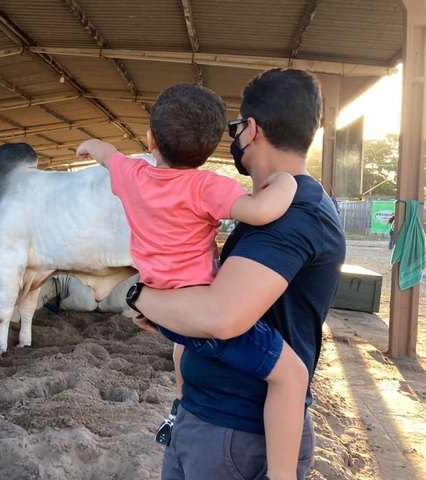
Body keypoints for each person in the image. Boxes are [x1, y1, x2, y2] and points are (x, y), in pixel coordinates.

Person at [77, 82, 309, 480]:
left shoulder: (132, 174)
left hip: (162, 305)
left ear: (151, 140)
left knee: (184, 350)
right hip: (198, 307)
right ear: (210, 148)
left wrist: (92, 146)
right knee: (292, 376)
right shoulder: (207, 186)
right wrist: (287, 182)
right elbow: (257, 212)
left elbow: (108, 156)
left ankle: (181, 402)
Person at [130, 70, 346, 479]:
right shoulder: (268, 207)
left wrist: (138, 296)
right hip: (210, 421)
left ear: (250, 130)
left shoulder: (293, 213)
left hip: (236, 437)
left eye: (235, 129)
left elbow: (221, 317)